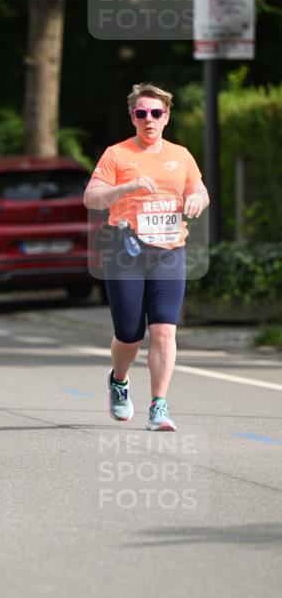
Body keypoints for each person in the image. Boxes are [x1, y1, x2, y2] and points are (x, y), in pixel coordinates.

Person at [83, 82, 209, 432]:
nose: (149, 119)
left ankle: (159, 405)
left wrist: (199, 199)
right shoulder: (116, 154)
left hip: (169, 252)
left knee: (165, 331)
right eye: (142, 113)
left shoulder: (181, 155)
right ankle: (120, 380)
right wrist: (126, 187)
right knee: (129, 334)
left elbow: (197, 188)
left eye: (156, 113)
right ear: (132, 117)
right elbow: (91, 198)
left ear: (166, 116)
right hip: (126, 252)